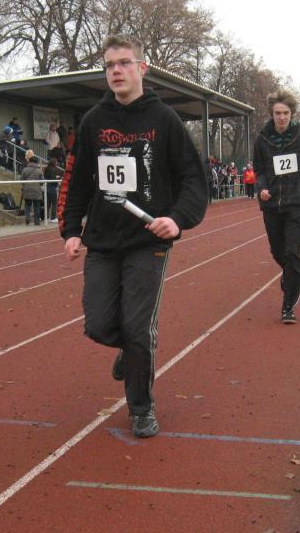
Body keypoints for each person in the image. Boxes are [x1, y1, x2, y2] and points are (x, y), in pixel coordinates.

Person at [61, 34, 207, 438]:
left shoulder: (165, 120)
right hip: (103, 241)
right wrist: (71, 230)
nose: (116, 71)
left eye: (124, 63)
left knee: (139, 328)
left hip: (147, 242)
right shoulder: (93, 121)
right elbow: (77, 181)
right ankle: (128, 348)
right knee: (98, 324)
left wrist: (176, 219)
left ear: (142, 68)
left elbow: (193, 180)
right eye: (110, 65)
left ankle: (141, 407)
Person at [253, 89, 300, 324]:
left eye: (285, 113)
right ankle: (293, 274)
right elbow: (259, 170)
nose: (281, 117)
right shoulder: (262, 139)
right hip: (271, 205)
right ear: (271, 114)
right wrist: (261, 188)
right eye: (277, 113)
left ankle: (288, 305)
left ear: (291, 114)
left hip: (296, 204)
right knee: (278, 253)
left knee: (292, 253)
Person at [20, 151, 44, 225]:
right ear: (37, 162)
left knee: (27, 205)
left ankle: (27, 218)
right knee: (37, 206)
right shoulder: (39, 170)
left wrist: (25, 185)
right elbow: (42, 182)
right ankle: (36, 221)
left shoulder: (25, 169)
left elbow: (21, 180)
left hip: (27, 189)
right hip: (37, 190)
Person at [43, 157, 61, 222]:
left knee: (47, 203)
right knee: (54, 203)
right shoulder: (54, 169)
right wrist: (58, 178)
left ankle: (46, 217)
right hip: (52, 187)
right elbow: (53, 179)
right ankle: (53, 218)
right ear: (54, 163)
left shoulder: (46, 169)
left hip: (47, 187)